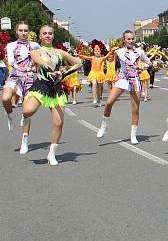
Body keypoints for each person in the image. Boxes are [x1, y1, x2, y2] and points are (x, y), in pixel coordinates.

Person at [19, 25, 81, 165]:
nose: (47, 36)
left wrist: (63, 74)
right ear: (40, 36)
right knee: (28, 110)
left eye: (50, 33)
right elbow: (38, 60)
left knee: (59, 122)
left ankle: (51, 154)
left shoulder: (60, 52)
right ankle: (25, 122)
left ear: (53, 36)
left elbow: (78, 64)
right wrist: (48, 68)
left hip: (55, 89)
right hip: (41, 86)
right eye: (44, 33)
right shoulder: (36, 51)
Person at [96, 31, 152, 144]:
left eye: (132, 39)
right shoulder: (119, 51)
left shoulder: (139, 52)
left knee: (135, 109)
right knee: (109, 102)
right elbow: (107, 57)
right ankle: (103, 125)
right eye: (128, 39)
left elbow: (149, 63)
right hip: (123, 78)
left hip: (135, 79)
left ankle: (133, 135)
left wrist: (143, 68)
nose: (131, 41)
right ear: (124, 40)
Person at [3, 22, 40, 131]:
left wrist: (35, 68)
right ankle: (10, 115)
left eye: (25, 30)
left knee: (26, 109)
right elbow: (11, 62)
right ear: (16, 32)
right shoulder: (11, 45)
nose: (23, 33)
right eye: (21, 30)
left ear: (28, 32)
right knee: (5, 98)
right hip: (15, 75)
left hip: (29, 78)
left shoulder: (34, 45)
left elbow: (39, 59)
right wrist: (22, 69)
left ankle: (25, 139)